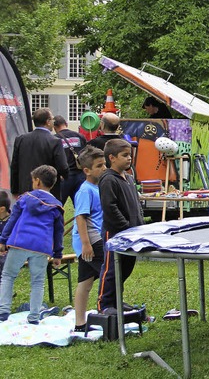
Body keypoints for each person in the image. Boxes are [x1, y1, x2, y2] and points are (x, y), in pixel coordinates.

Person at [0, 165, 64, 324]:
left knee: (8, 276)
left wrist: (3, 240)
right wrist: (57, 254)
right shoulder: (57, 205)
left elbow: (12, 221)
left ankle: (3, 311)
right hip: (42, 247)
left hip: (19, 243)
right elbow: (58, 232)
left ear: (37, 181)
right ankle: (34, 316)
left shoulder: (24, 199)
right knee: (37, 281)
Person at [96, 139, 144, 314]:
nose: (129, 159)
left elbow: (136, 204)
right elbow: (110, 207)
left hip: (133, 232)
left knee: (125, 267)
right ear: (112, 158)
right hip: (115, 233)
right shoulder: (108, 179)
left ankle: (117, 300)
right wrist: (124, 226)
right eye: (124, 155)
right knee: (111, 268)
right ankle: (104, 304)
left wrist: (139, 225)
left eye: (129, 155)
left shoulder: (129, 178)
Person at [71, 146, 107, 332]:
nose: (104, 168)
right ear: (87, 170)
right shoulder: (85, 190)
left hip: (94, 240)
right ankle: (111, 312)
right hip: (92, 241)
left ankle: (80, 323)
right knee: (109, 276)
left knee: (85, 282)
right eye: (99, 165)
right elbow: (80, 217)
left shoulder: (98, 186)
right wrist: (86, 244)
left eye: (104, 164)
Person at [10, 107, 69, 202]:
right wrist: (65, 176)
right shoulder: (54, 141)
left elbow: (14, 167)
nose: (54, 122)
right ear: (48, 121)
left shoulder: (20, 139)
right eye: (52, 119)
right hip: (48, 191)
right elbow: (63, 166)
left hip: (25, 189)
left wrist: (14, 190)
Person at [53, 115, 87, 207]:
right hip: (81, 175)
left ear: (54, 127)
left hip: (63, 177)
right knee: (82, 206)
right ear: (66, 124)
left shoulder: (55, 139)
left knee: (58, 206)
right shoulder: (80, 136)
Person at [0, 191, 11, 280]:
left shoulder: (12, 222)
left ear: (2, 209)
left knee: (4, 261)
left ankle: (4, 290)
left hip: (9, 252)